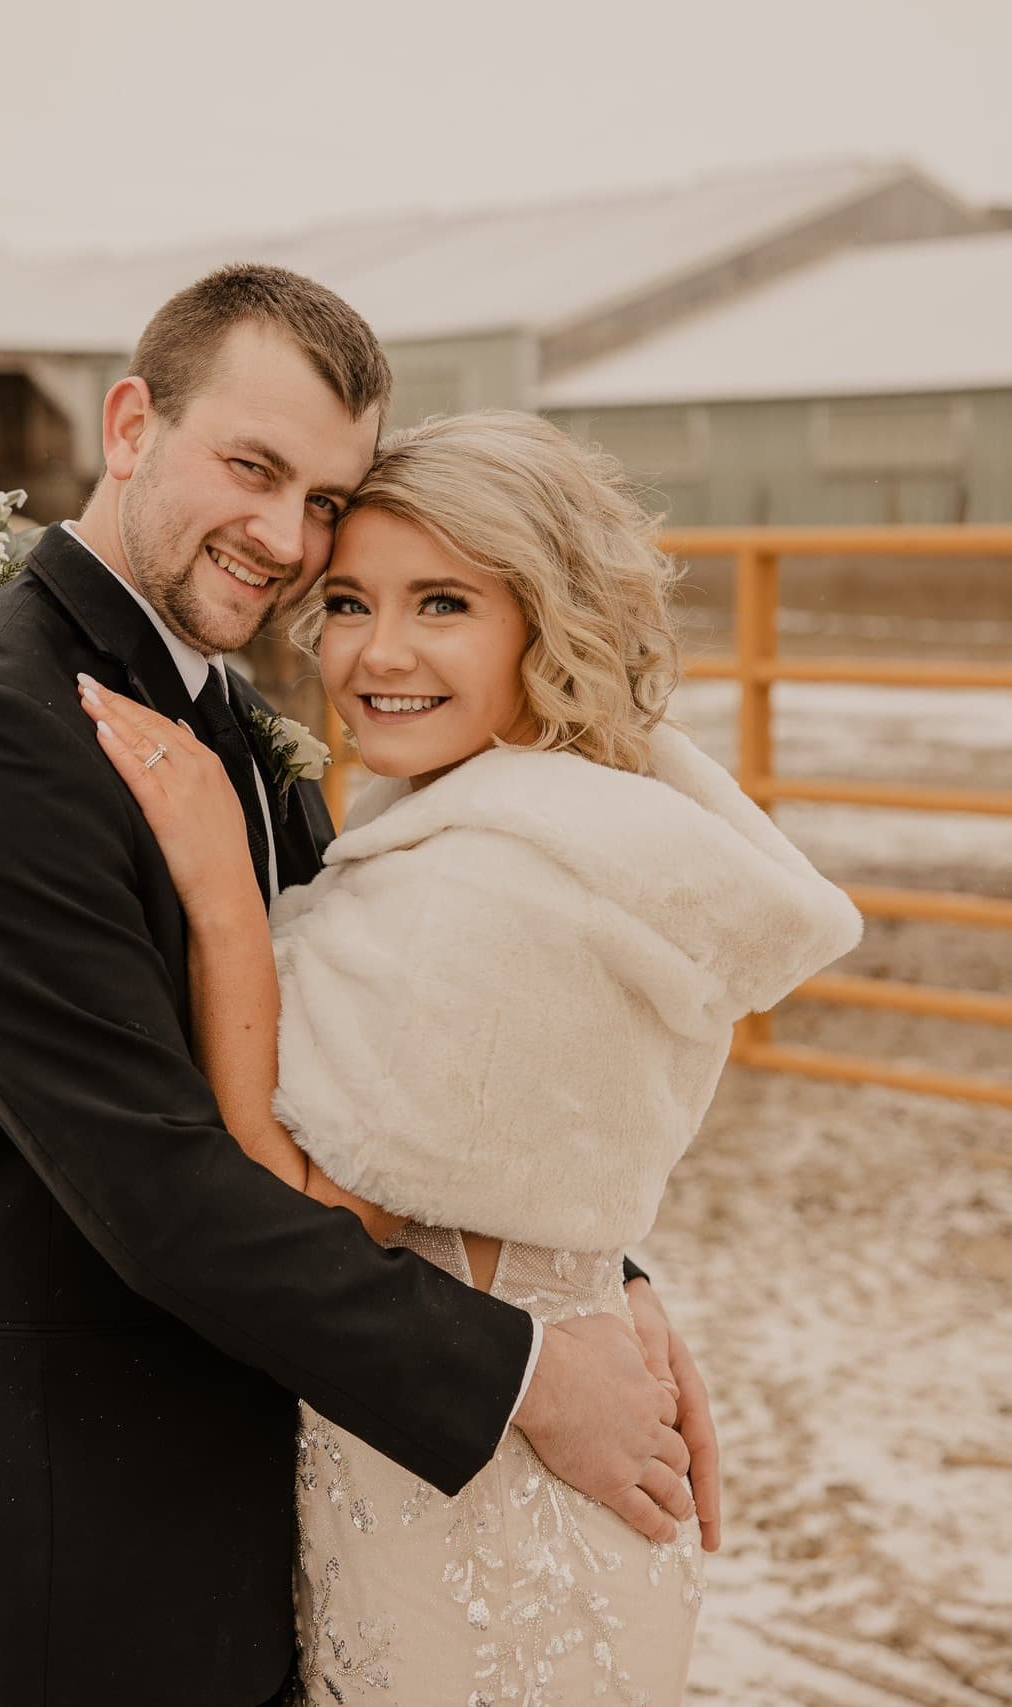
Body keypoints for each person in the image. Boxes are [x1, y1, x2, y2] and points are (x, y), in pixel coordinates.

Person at [0, 266, 714, 1707]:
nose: (285, 536)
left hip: (246, 1532)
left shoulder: (223, 708)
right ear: (128, 425)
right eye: (251, 467)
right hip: (69, 1565)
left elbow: (365, 1081)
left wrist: (592, 1289)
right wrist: (527, 1377)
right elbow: (156, 1189)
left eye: (320, 498)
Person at [76, 408, 863, 1704]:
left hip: (485, 1497)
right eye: (344, 602)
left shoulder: (491, 893)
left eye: (441, 603)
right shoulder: (550, 822)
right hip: (482, 1438)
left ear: (541, 625)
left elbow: (302, 1199)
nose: (375, 653)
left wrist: (222, 896)